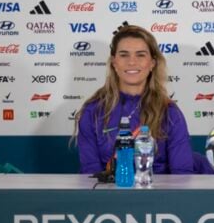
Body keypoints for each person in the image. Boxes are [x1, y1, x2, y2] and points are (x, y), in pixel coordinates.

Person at [75, 25, 194, 174]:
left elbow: (182, 174)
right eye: (124, 55)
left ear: (152, 63)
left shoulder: (169, 112)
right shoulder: (93, 111)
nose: (132, 62)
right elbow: (90, 172)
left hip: (158, 194)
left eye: (140, 55)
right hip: (109, 195)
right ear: (114, 63)